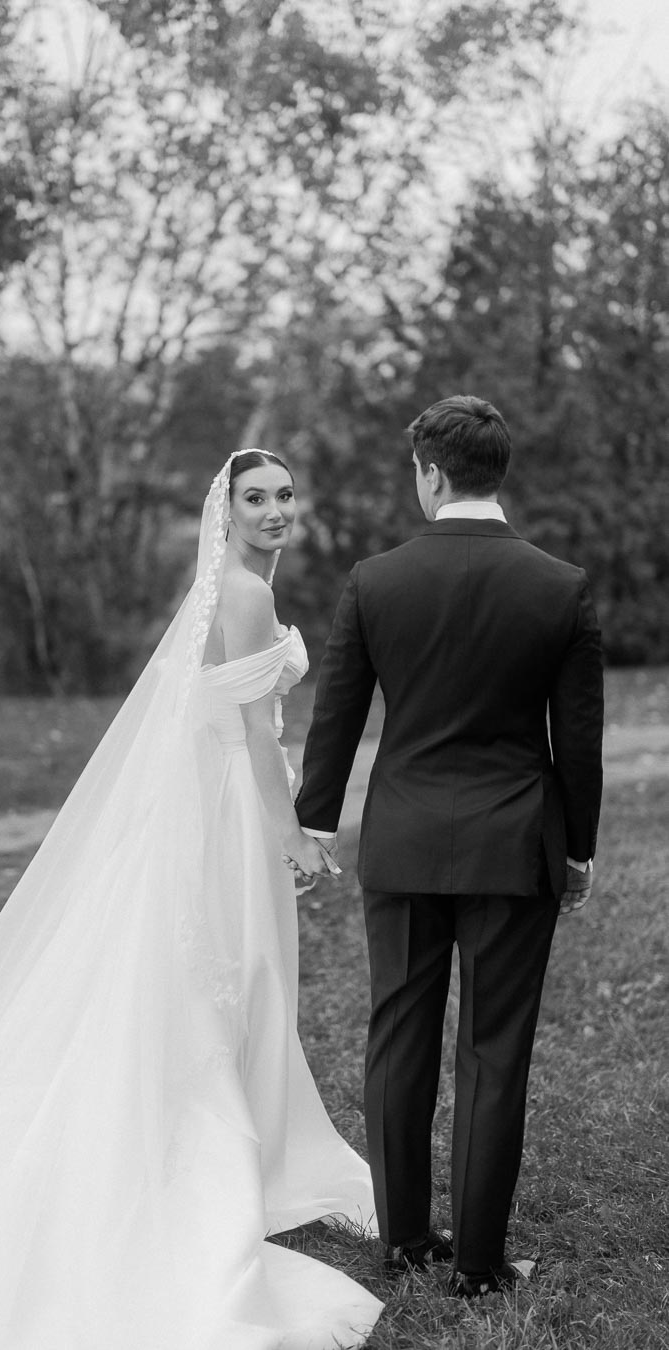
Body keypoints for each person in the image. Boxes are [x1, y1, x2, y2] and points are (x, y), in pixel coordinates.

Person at [0, 451, 383, 1349]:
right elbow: (253, 732)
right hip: (226, 811)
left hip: (207, 805)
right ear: (228, 509)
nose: (276, 509)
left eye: (286, 494)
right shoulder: (245, 596)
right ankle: (220, 1148)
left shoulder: (230, 585)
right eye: (257, 498)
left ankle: (242, 1131)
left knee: (215, 973)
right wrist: (291, 834)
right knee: (236, 969)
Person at [295, 396, 604, 1297]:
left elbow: (338, 716)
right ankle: (476, 1262)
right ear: (497, 473)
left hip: (402, 840)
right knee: (494, 1049)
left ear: (430, 472)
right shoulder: (560, 585)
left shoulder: (375, 580)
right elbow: (576, 743)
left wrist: (317, 821)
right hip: (515, 848)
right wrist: (575, 850)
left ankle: (402, 1243)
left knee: (399, 1034)